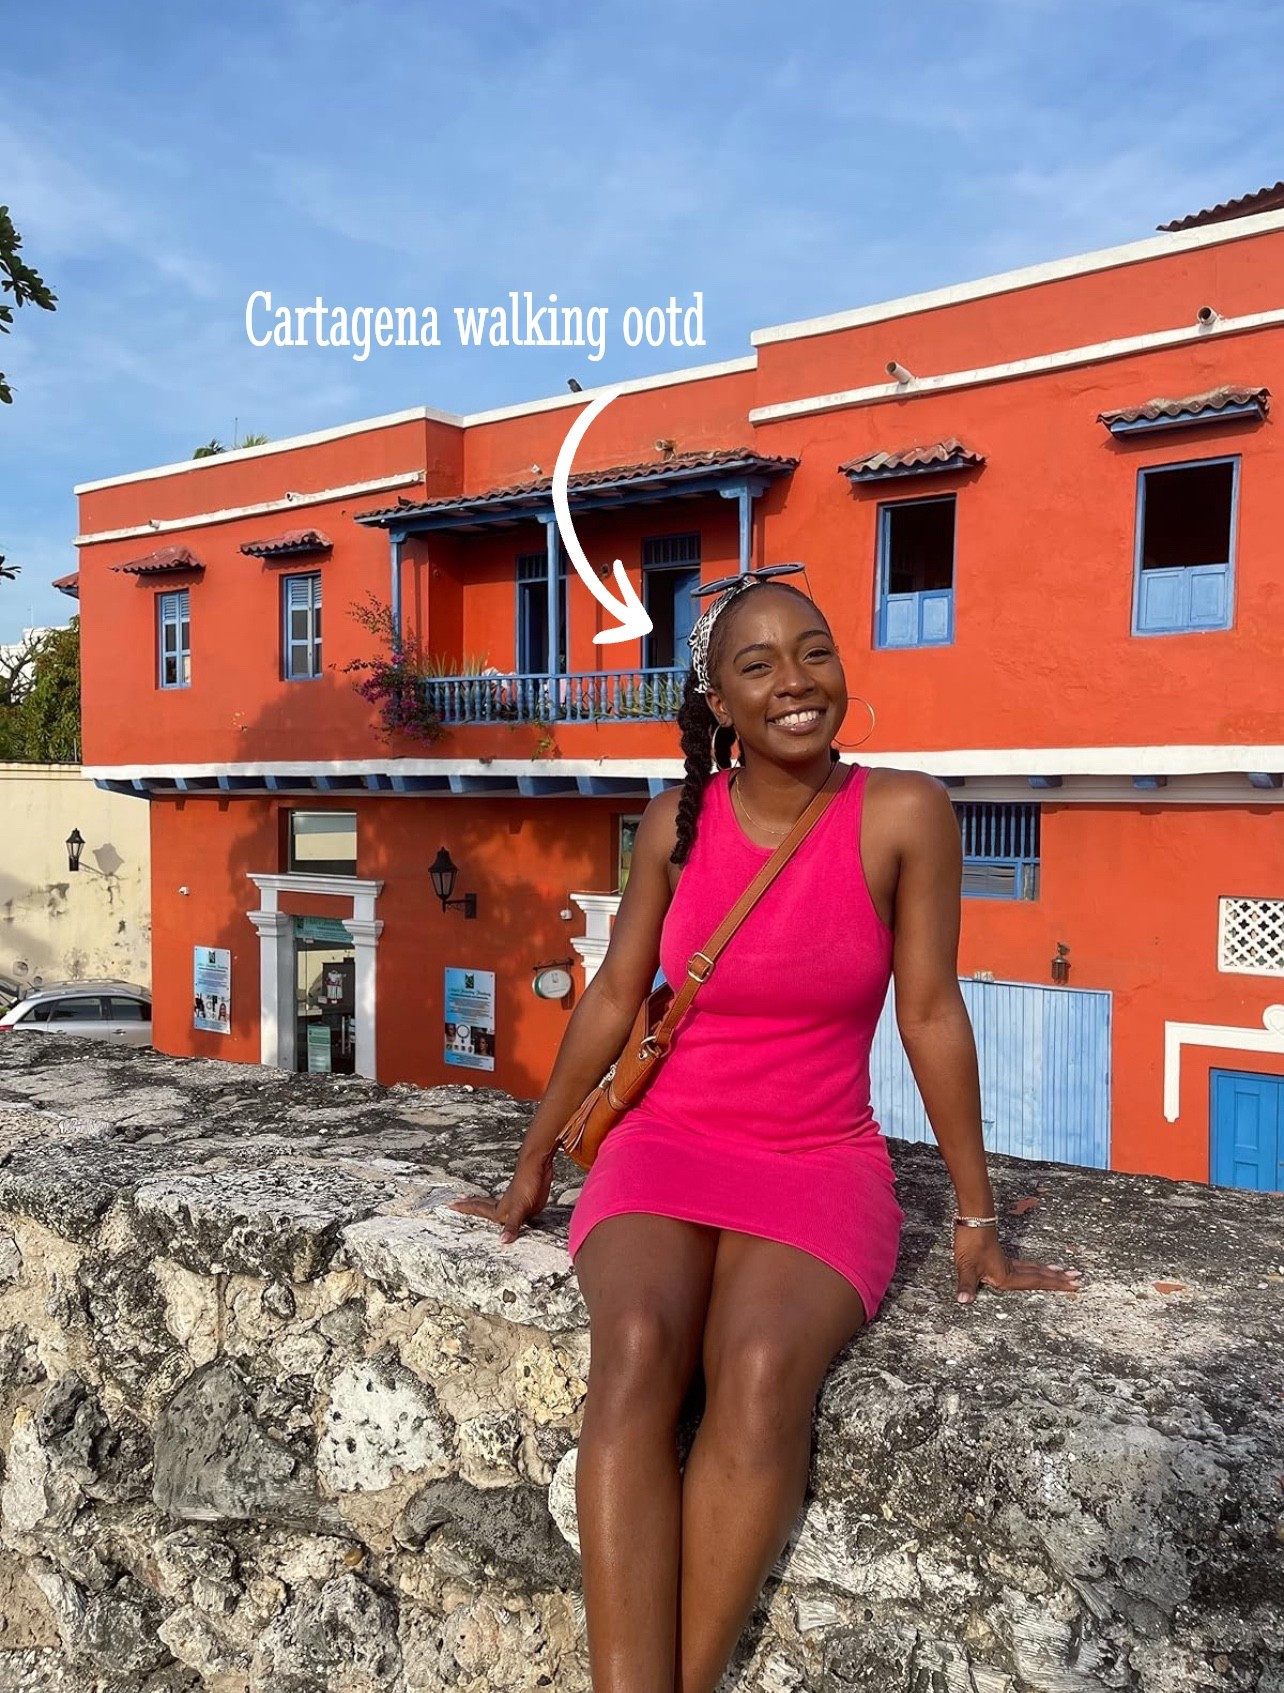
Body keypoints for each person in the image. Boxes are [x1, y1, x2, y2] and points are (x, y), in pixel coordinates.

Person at [452, 573, 1081, 1693]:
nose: (796, 680)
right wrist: (534, 1158)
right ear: (720, 704)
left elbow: (932, 1012)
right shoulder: (673, 825)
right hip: (664, 1142)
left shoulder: (902, 813)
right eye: (760, 665)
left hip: (817, 1157)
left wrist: (975, 1215)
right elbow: (614, 995)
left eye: (815, 652)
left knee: (755, 1367)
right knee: (636, 1341)